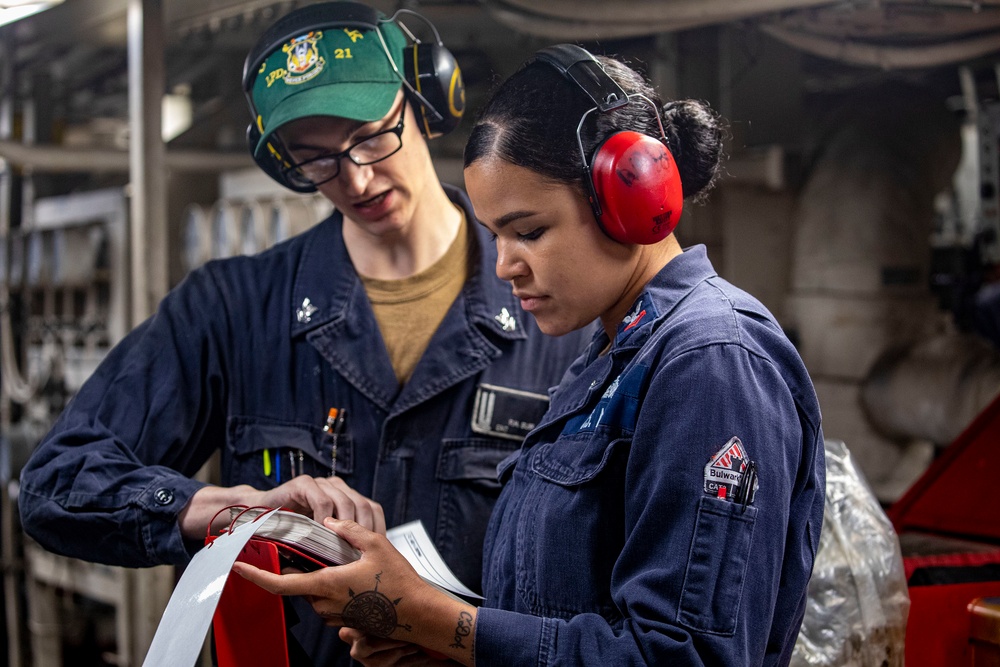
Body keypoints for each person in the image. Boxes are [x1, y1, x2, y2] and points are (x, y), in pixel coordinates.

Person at [17, 5, 591, 665]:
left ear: (426, 100)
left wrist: (455, 633)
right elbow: (56, 483)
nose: (356, 179)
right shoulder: (233, 308)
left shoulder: (559, 309)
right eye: (315, 161)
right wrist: (218, 508)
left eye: (373, 137)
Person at [234, 44, 827, 666]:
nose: (505, 267)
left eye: (529, 232)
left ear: (628, 196)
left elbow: (682, 657)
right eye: (495, 237)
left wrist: (434, 617)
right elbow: (565, 617)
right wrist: (438, 643)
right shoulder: (607, 362)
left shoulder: (711, 363)